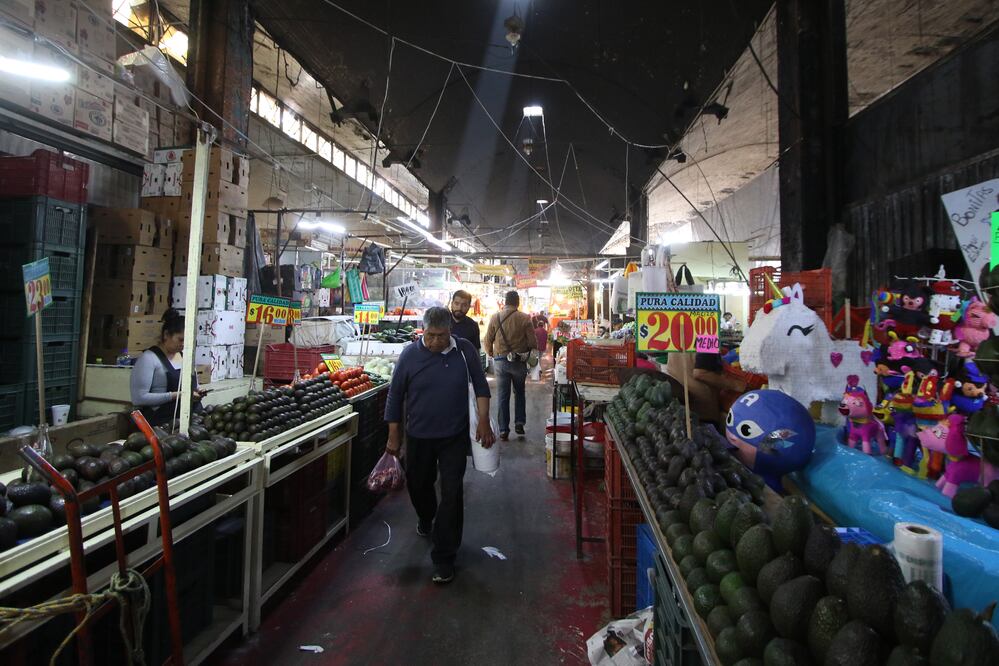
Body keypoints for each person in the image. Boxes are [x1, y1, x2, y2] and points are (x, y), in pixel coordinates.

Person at [384, 307, 494, 584]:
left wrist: (483, 421)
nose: (435, 341)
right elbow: (395, 396)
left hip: (453, 436)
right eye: (430, 336)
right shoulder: (410, 354)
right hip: (419, 434)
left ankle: (445, 557)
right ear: (423, 331)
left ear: (450, 331)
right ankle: (425, 517)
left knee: (452, 491)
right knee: (419, 485)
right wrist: (393, 435)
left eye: (441, 336)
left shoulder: (464, 351)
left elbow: (481, 386)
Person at [129, 309, 203, 426]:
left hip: (192, 420)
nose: (183, 344)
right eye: (180, 339)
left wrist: (198, 392)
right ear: (166, 335)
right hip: (162, 424)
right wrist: (177, 395)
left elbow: (195, 386)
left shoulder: (186, 357)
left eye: (188, 340)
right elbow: (139, 398)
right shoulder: (149, 359)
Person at [483, 291, 538, 440]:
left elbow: (488, 340)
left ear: (505, 302)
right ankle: (519, 422)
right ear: (518, 302)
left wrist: (491, 353)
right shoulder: (525, 318)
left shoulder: (495, 317)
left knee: (502, 395)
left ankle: (503, 430)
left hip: (501, 361)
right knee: (519, 392)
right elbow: (533, 343)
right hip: (519, 362)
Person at [665, 351, 747, 424]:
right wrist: (737, 385)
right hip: (702, 410)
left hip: (679, 407)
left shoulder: (677, 334)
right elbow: (701, 374)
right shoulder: (707, 335)